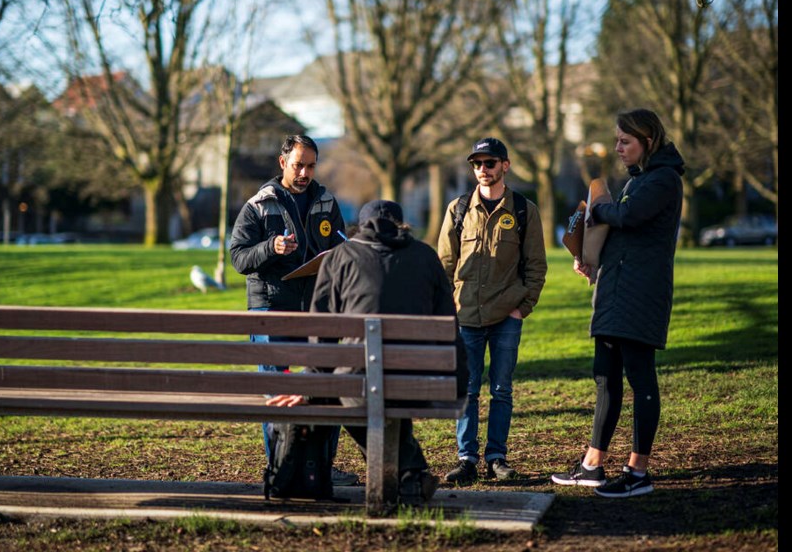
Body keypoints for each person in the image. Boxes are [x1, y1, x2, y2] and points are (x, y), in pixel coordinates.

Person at [267, 199, 464, 505]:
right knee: (377, 390)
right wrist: (458, 381)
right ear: (403, 226)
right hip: (420, 381)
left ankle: (410, 472)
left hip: (357, 382)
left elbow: (323, 330)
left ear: (359, 228)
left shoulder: (341, 256)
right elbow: (449, 325)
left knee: (346, 391)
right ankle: (409, 477)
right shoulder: (426, 256)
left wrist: (312, 386)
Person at [551, 108, 684, 498]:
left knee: (640, 377)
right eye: (617, 141)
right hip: (613, 290)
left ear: (648, 141)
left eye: (625, 141)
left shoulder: (663, 180)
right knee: (604, 376)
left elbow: (628, 216)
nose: (618, 148)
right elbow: (620, 233)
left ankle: (638, 471)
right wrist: (591, 258)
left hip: (641, 294)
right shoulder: (638, 180)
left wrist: (596, 209)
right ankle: (592, 465)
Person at [229, 134, 355, 486]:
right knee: (277, 393)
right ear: (282, 162)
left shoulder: (326, 201)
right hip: (271, 308)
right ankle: (281, 468)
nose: (304, 172)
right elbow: (238, 257)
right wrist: (272, 247)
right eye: (298, 165)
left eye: (311, 166)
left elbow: (339, 245)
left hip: (317, 309)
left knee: (325, 389)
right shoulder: (259, 204)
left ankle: (320, 468)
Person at [437, 137, 547, 485]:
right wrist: (448, 308)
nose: (482, 170)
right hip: (465, 316)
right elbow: (444, 264)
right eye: (477, 164)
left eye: (489, 163)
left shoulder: (524, 211)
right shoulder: (457, 209)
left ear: (505, 166)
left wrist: (521, 309)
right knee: (467, 390)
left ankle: (497, 457)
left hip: (506, 316)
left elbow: (536, 267)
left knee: (501, 390)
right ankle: (466, 458)